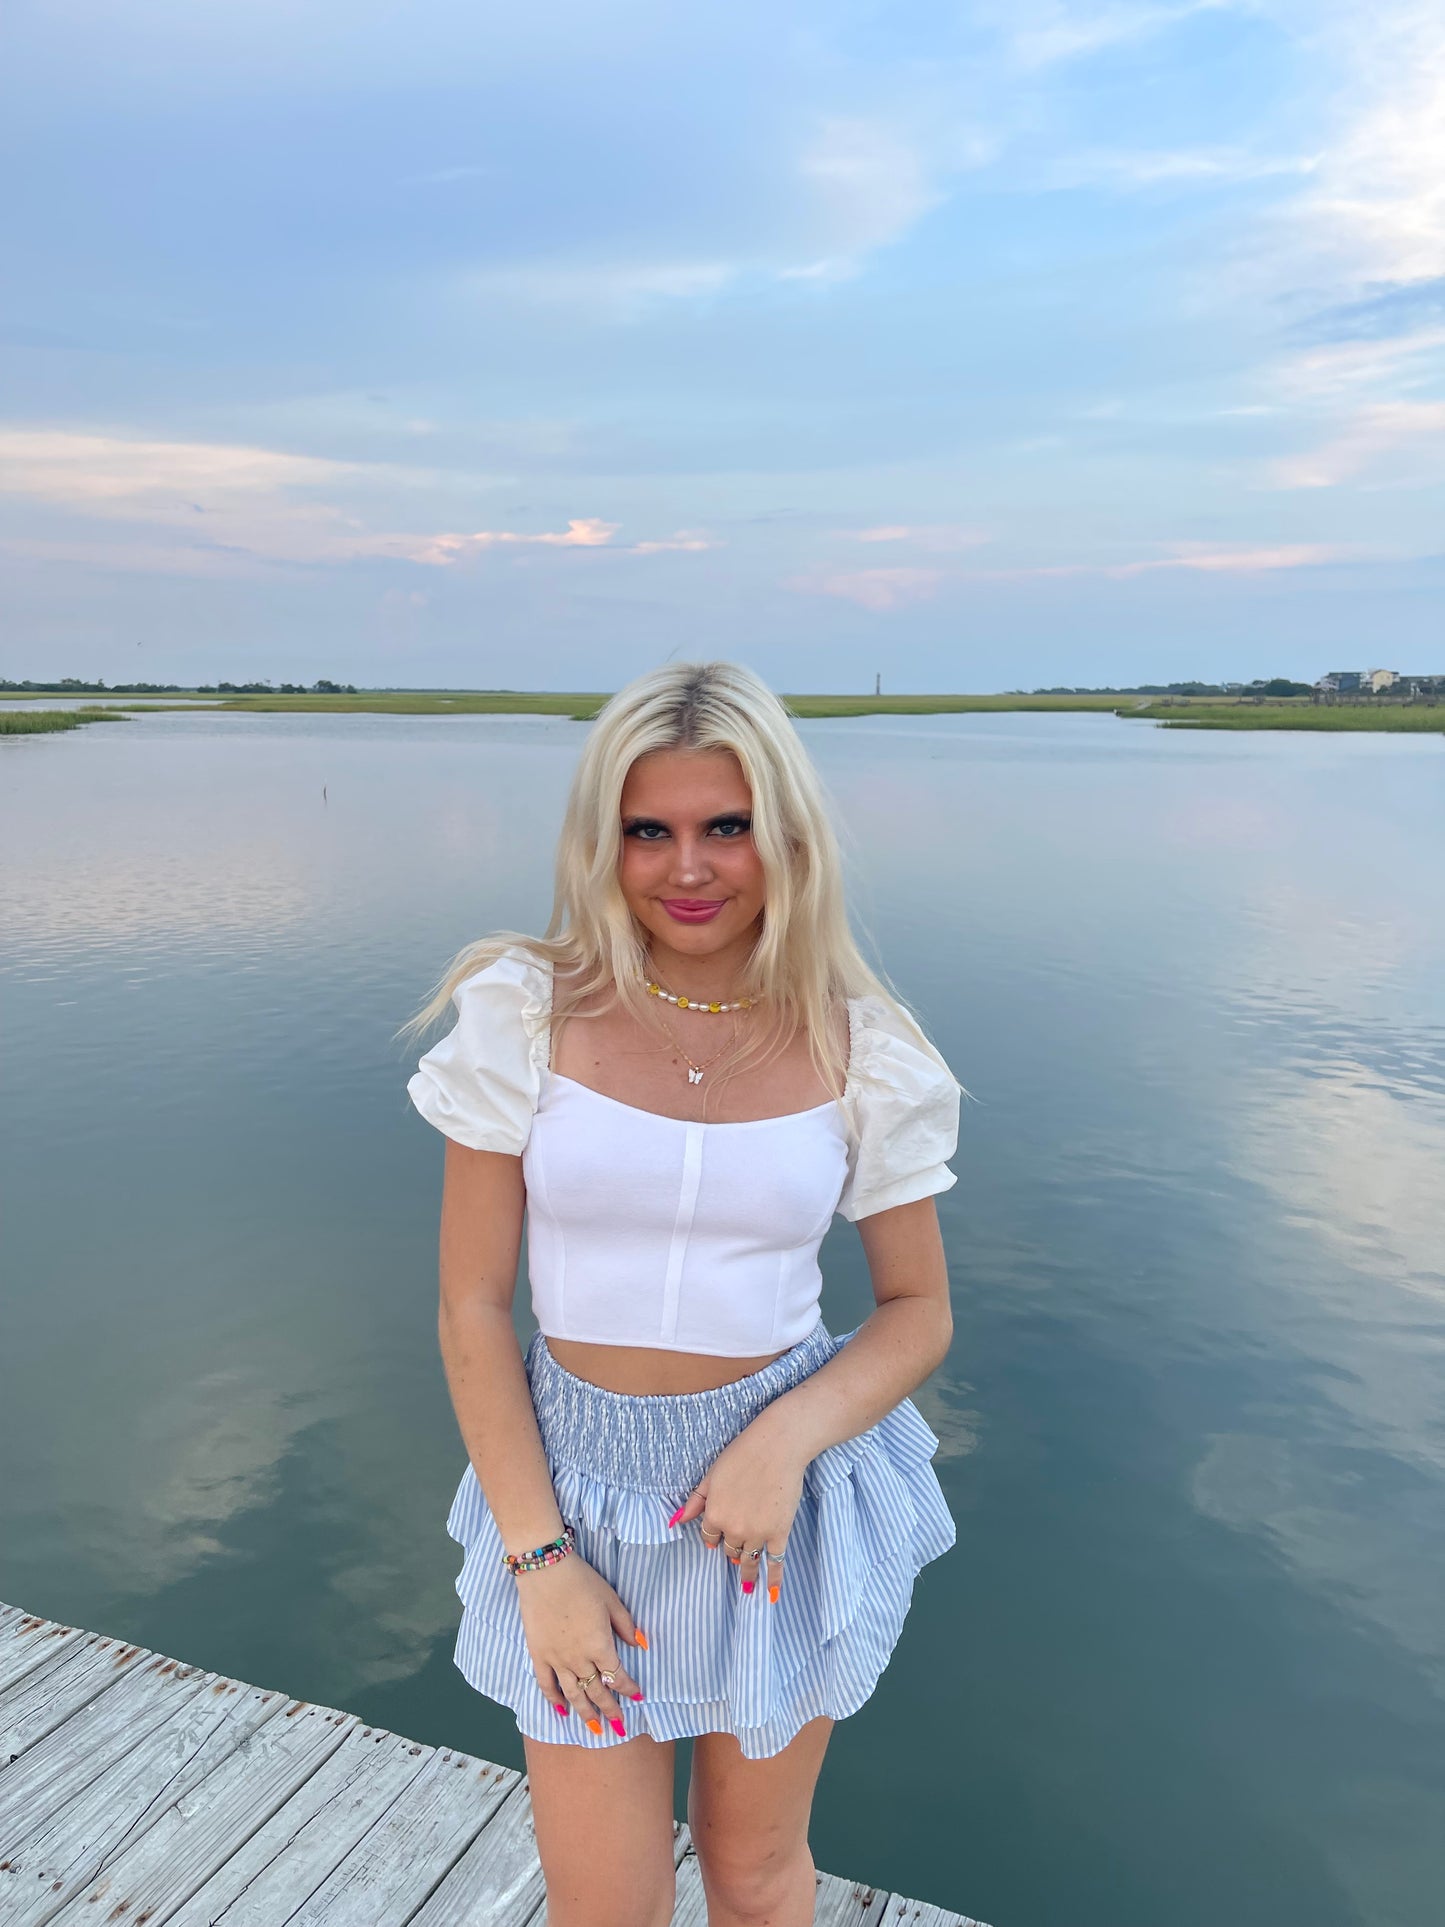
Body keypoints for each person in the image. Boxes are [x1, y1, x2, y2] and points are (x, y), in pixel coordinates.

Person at [400, 661, 962, 1927]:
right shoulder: (521, 1013)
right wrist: (537, 1557)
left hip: (775, 1510)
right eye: (647, 831)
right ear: (602, 843)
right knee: (606, 1903)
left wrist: (782, 1441)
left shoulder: (860, 1045)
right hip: (571, 1500)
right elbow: (472, 1307)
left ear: (786, 837)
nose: (687, 868)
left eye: (727, 827)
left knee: (756, 1875)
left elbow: (916, 1306)